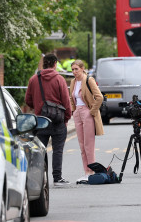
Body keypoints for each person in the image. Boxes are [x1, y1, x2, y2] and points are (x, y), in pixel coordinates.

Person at [25, 54, 73, 186]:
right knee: (58, 150)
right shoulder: (59, 79)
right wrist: (66, 117)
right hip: (58, 120)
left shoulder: (34, 79)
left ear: (44, 63)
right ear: (55, 63)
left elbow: (28, 100)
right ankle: (57, 178)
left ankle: (38, 179)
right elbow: (66, 101)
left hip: (41, 121)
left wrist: (38, 106)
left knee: (40, 150)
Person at [69, 60, 104, 181]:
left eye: (76, 69)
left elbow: (99, 97)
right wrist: (73, 110)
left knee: (89, 145)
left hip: (87, 111)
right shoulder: (73, 81)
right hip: (77, 113)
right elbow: (71, 97)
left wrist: (92, 112)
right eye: (72, 70)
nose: (74, 72)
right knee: (82, 146)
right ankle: (86, 172)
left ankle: (92, 171)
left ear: (82, 69)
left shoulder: (89, 80)